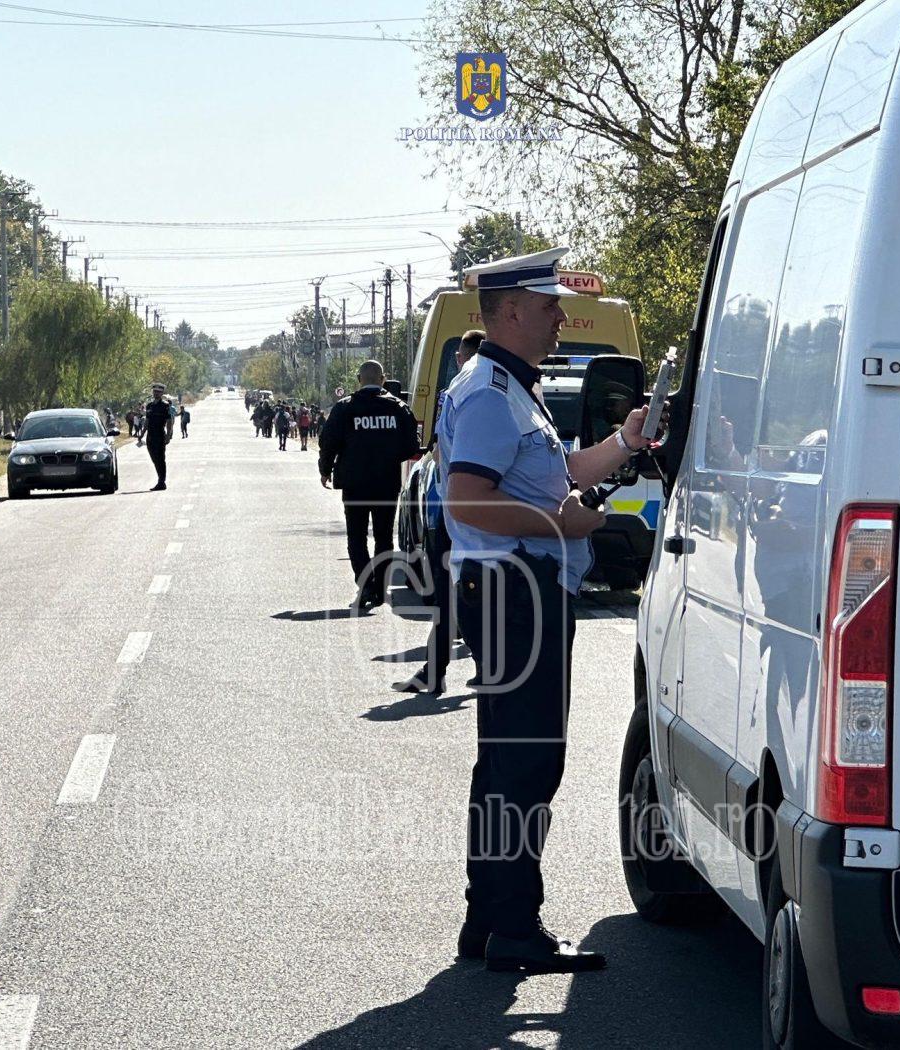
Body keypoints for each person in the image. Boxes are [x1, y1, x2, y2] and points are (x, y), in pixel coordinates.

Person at [438, 247, 649, 974]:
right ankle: (514, 930)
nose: (562, 315)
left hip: (515, 589)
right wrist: (565, 526)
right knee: (525, 764)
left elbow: (557, 475)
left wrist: (626, 442)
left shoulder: (509, 388)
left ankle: (489, 920)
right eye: (551, 304)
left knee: (508, 761)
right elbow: (468, 500)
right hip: (515, 591)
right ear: (513, 311)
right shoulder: (493, 393)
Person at [394, 328, 486, 695]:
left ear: (463, 357)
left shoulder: (459, 392)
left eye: (459, 358)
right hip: (472, 511)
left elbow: (440, 451)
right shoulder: (514, 390)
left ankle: (449, 668)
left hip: (450, 510)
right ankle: (448, 667)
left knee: (457, 594)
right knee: (465, 594)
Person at [318, 360, 420, 611]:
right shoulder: (398, 408)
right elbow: (411, 446)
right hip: (386, 482)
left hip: (355, 483)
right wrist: (387, 454)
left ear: (358, 379)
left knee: (356, 535)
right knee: (384, 537)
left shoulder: (345, 408)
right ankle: (379, 588)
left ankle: (365, 583)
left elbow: (328, 441)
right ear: (383, 379)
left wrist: (325, 470)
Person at [144, 382, 177, 490]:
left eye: (158, 392)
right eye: (155, 391)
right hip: (150, 435)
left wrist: (168, 435)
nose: (156, 393)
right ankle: (160, 479)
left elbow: (169, 421)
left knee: (160, 458)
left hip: (159, 434)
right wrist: (142, 434)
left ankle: (161, 481)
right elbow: (147, 421)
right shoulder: (149, 406)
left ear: (162, 393)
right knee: (154, 458)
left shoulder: (165, 405)